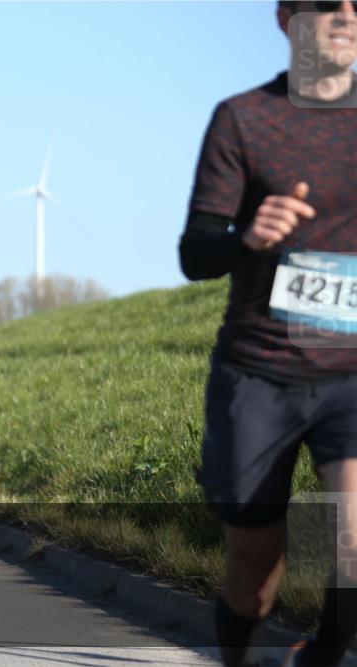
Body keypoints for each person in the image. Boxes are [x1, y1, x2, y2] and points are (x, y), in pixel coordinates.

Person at [178, 3, 356, 665]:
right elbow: (195, 253)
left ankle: (324, 650)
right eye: (326, 3)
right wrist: (246, 236)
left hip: (351, 374)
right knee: (255, 576)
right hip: (259, 372)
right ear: (286, 18)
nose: (345, 15)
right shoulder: (243, 119)